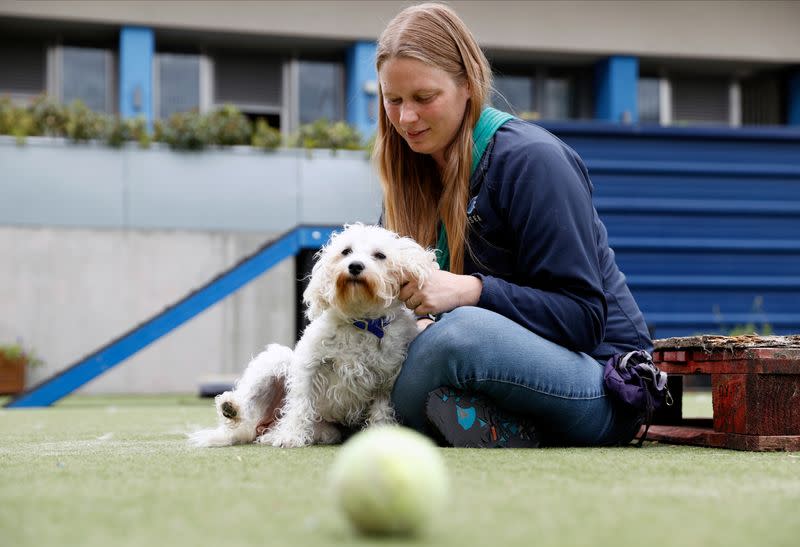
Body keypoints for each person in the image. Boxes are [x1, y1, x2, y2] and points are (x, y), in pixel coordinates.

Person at [373, 3, 653, 448]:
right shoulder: (411, 177)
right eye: (393, 100)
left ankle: (405, 416)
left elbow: (583, 318)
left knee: (460, 334)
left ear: (468, 85)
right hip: (489, 372)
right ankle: (491, 424)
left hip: (605, 385)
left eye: (424, 98)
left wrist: (470, 290)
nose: (406, 118)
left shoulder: (532, 160)